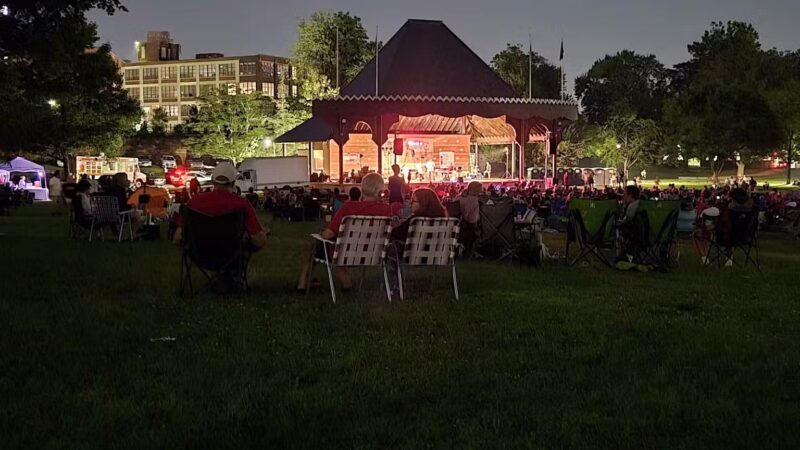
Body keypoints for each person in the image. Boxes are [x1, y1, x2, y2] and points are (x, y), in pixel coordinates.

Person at [297, 173, 398, 291]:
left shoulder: (349, 207)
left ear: (362, 189)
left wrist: (321, 233)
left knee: (316, 247)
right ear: (381, 191)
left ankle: (302, 285)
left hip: (346, 254)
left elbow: (329, 234)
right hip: (374, 254)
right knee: (342, 244)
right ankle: (346, 284)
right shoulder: (387, 210)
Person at [183, 162, 268, 251]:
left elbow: (178, 236)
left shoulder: (194, 202)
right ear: (233, 183)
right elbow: (260, 240)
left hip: (200, 254)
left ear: (213, 181)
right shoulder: (242, 204)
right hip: (231, 255)